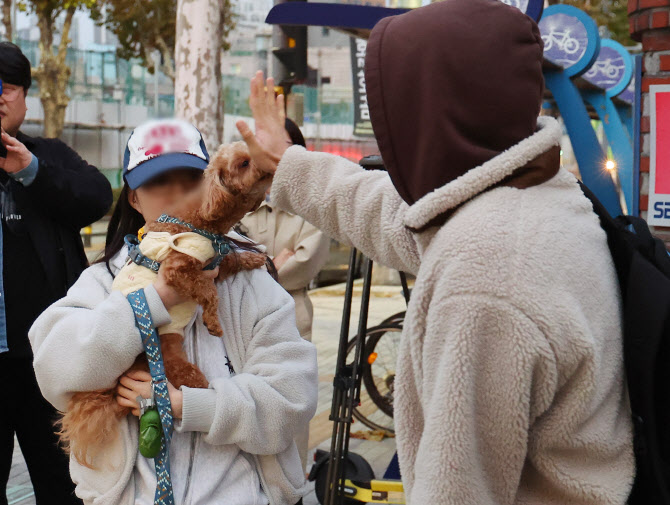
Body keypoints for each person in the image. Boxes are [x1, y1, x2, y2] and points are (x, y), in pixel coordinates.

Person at [235, 0, 634, 503]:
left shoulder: (486, 279)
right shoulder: (534, 194)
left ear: (431, 109)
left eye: (396, 103)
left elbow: (458, 492)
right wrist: (289, 165)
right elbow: (397, 218)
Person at [28, 118, 318, 505]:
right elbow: (54, 369)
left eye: (189, 180)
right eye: (159, 182)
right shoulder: (101, 281)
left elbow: (292, 399)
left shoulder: (250, 280)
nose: (177, 193)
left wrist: (188, 405)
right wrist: (156, 299)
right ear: (133, 198)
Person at [0, 42, 112, 505]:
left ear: (25, 98)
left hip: (45, 361)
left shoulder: (47, 156)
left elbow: (98, 197)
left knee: (62, 483)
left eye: (7, 87)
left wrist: (32, 171)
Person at [239, 118, 329, 471]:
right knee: (244, 413)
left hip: (294, 318)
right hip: (241, 320)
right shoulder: (240, 198)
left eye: (281, 144)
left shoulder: (311, 204)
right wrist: (275, 265)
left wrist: (257, 267)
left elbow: (307, 262)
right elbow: (224, 257)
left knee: (291, 420)